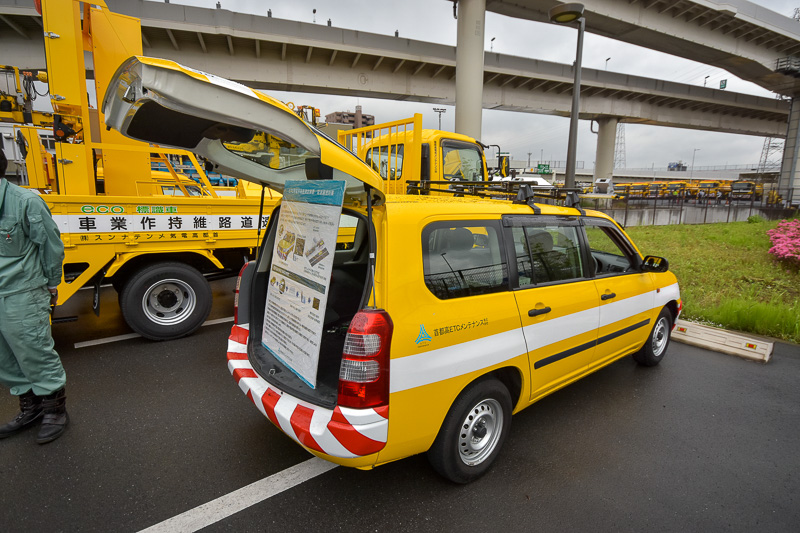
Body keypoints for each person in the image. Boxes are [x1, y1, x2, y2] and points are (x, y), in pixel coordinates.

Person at [0, 147, 68, 444]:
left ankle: (55, 410)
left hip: (22, 292)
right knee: (6, 358)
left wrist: (52, 284)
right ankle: (31, 408)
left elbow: (50, 246)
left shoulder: (25, 201)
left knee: (34, 352)